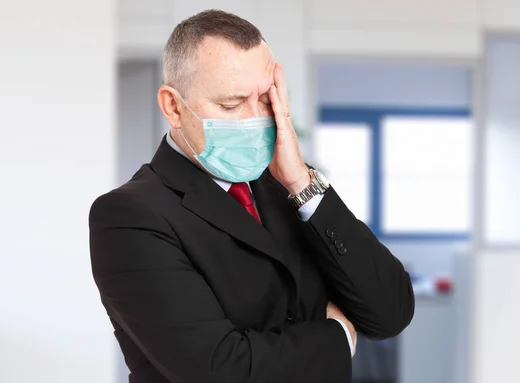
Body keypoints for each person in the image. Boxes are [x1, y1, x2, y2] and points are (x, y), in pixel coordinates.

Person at [89, 9, 414, 383]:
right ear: (174, 107)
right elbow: (221, 370)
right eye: (230, 105)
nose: (253, 119)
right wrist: (338, 335)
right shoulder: (129, 215)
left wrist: (301, 184)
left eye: (264, 100)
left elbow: (391, 311)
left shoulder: (287, 187)